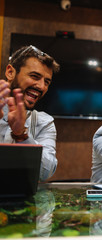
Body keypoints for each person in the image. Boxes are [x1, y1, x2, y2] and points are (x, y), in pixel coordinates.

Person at [0, 45, 60, 181]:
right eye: (34, 76)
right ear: (10, 72)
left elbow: (46, 172)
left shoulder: (44, 122)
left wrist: (21, 135)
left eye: (47, 82)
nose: (41, 86)